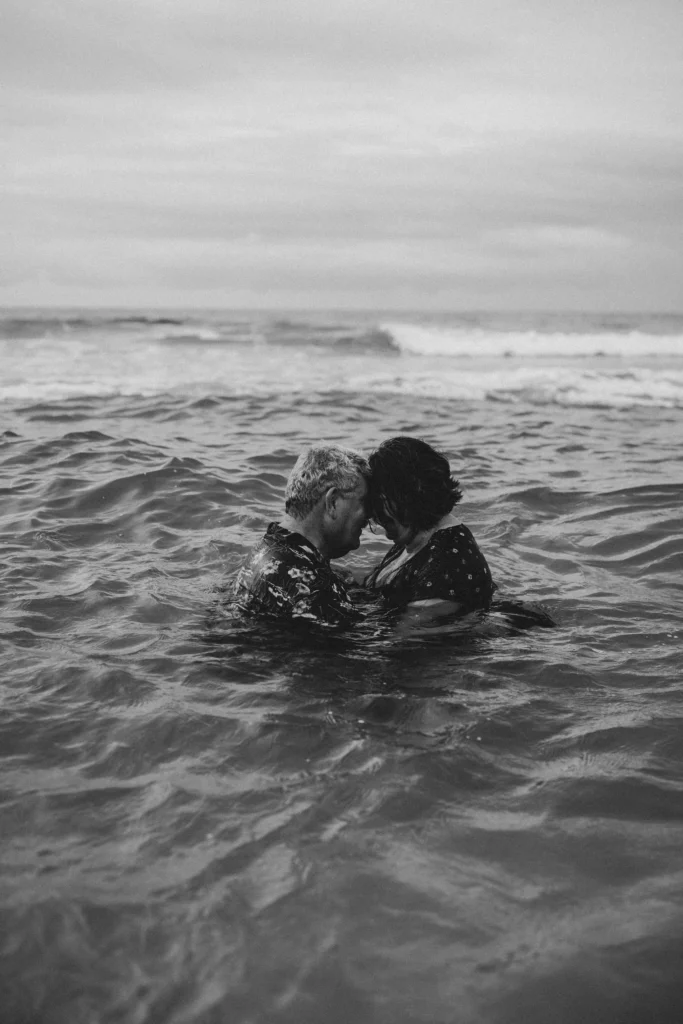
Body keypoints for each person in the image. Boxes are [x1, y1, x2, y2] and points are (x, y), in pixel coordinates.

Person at [232, 444, 370, 627]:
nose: (370, 516)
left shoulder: (269, 548)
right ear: (333, 502)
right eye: (364, 503)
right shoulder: (313, 590)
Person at [363, 436, 496, 617]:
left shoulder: (449, 563)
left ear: (407, 496)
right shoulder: (416, 537)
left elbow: (406, 639)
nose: (374, 512)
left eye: (380, 499)